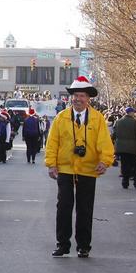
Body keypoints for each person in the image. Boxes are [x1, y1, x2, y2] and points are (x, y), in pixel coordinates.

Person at [44, 76, 115, 258]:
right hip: (65, 169)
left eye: (82, 96)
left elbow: (105, 143)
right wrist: (51, 164)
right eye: (75, 96)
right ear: (71, 98)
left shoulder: (98, 119)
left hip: (88, 169)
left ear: (88, 99)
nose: (78, 99)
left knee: (85, 208)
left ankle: (84, 245)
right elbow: (52, 142)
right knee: (64, 207)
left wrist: (104, 161)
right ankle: (63, 244)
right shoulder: (61, 118)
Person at [112, 106, 136, 189]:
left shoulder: (118, 122)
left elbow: (114, 134)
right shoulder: (135, 122)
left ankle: (125, 181)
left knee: (124, 164)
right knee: (135, 165)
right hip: (134, 147)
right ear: (131, 113)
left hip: (121, 147)